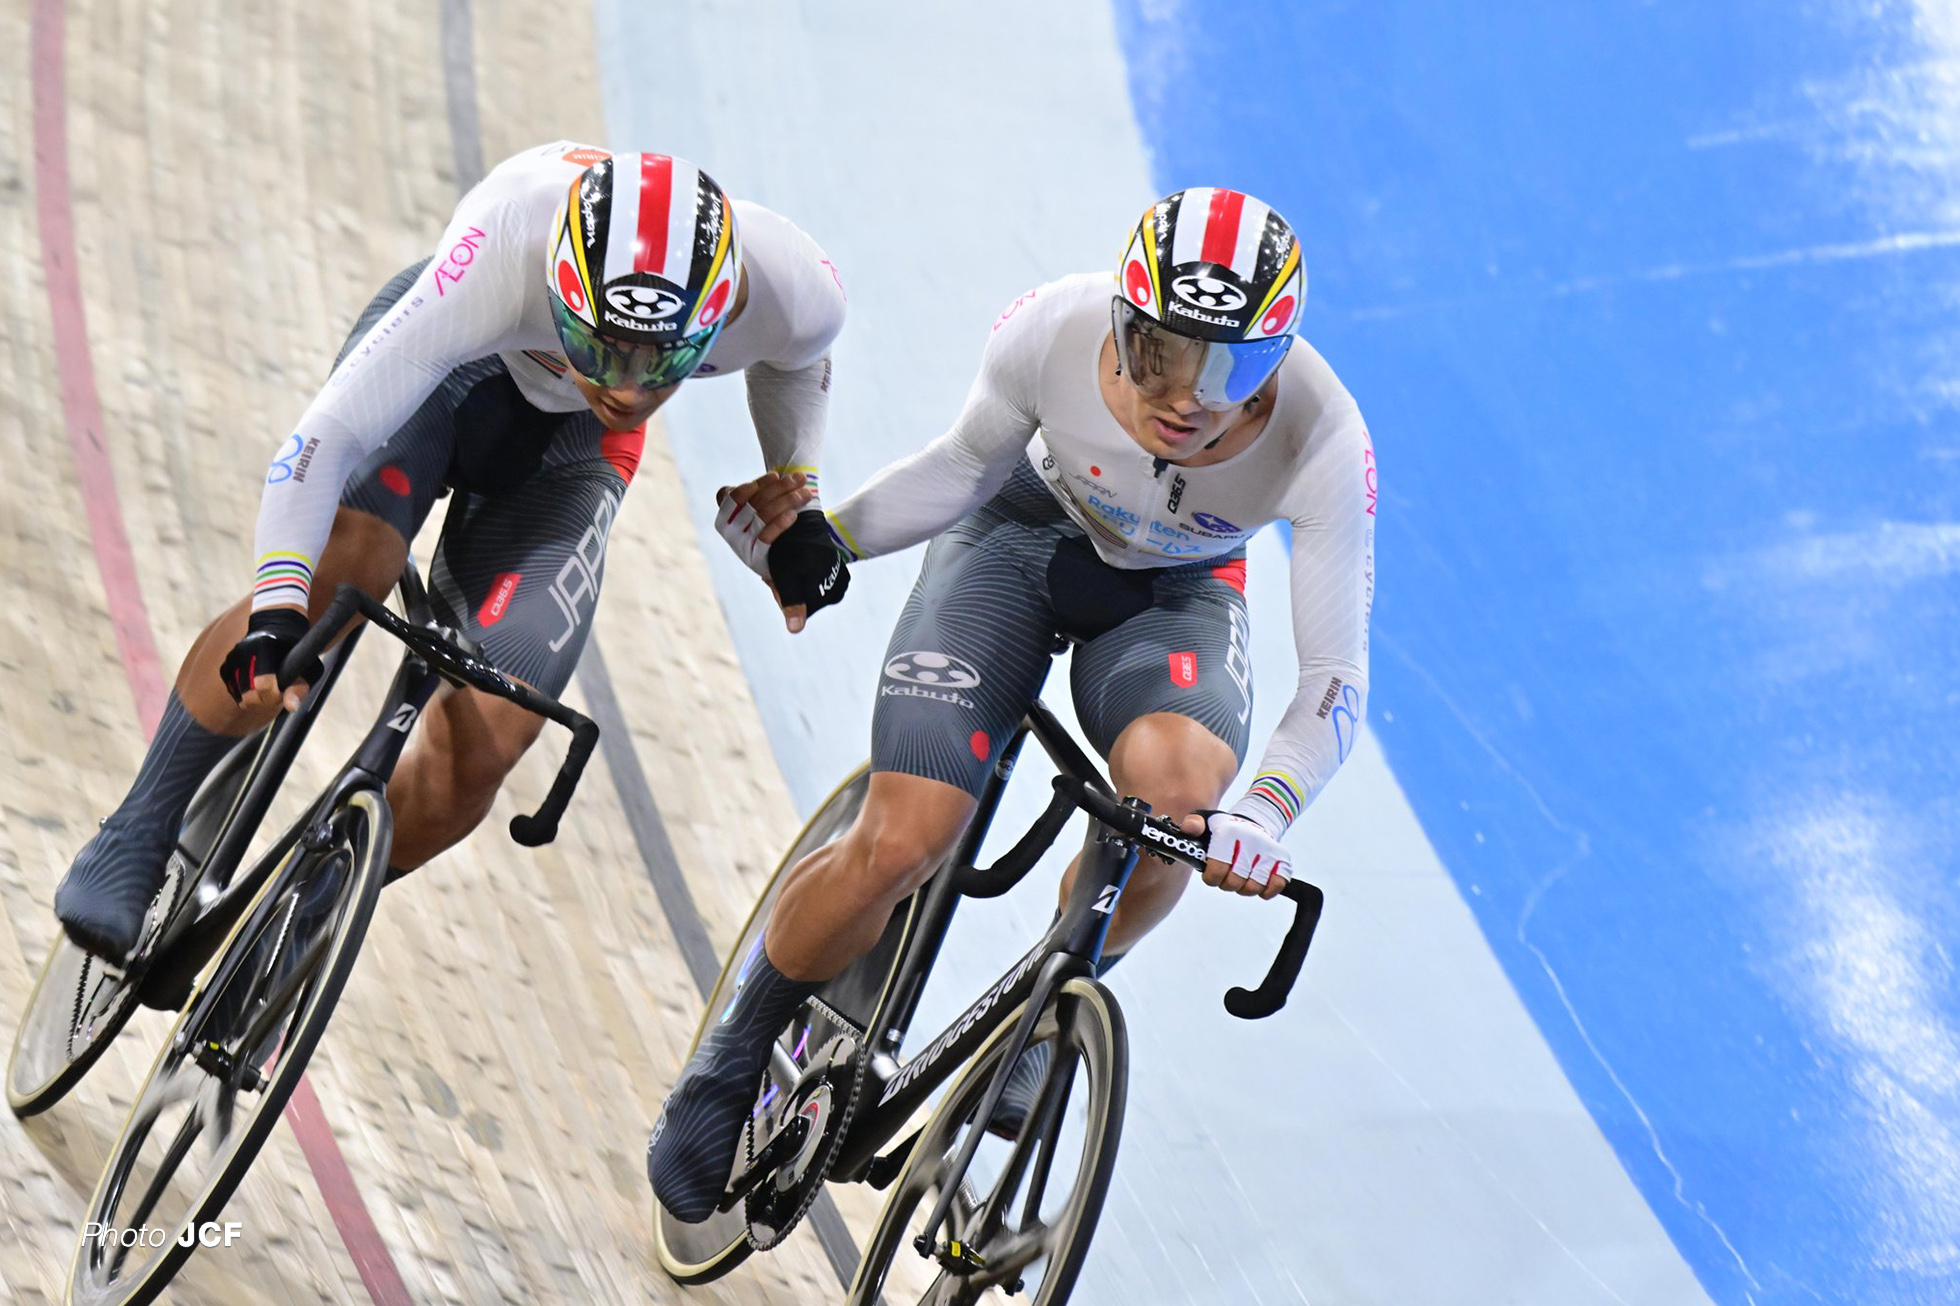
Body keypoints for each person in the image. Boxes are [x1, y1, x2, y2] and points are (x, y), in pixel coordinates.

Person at [649, 187, 1375, 1222]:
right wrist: (833, 536)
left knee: (1175, 822)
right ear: (1123, 318)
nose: (1186, 395)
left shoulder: (1324, 435)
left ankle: (1046, 1012)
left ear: (1277, 359)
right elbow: (958, 470)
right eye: (1162, 351)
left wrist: (1262, 813)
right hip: (1019, 536)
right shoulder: (1054, 326)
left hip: (1173, 593)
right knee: (906, 838)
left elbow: (1336, 679)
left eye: (1231, 367)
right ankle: (731, 1055)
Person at [53, 141, 851, 966]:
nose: (628, 387)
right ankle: (138, 829)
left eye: (665, 362)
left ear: (720, 314)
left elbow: (798, 359)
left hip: (571, 454)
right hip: (454, 379)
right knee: (340, 569)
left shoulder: (791, 288)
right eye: (603, 348)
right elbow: (326, 438)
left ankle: (302, 930)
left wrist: (799, 488)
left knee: (495, 732)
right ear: (562, 289)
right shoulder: (504, 247)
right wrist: (276, 607)